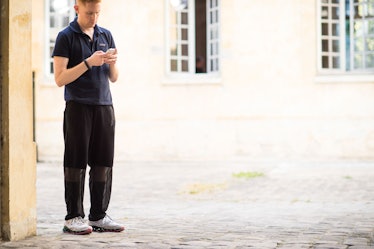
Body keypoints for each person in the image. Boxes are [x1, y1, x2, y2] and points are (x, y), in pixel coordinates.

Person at [52, 0, 124, 235]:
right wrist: (87, 63)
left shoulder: (106, 34)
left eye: (97, 13)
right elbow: (60, 78)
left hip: (104, 106)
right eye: (89, 13)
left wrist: (112, 63)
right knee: (75, 163)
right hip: (77, 107)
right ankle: (73, 217)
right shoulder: (66, 36)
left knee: (103, 162)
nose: (94, 18)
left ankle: (99, 216)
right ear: (77, 9)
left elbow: (113, 78)